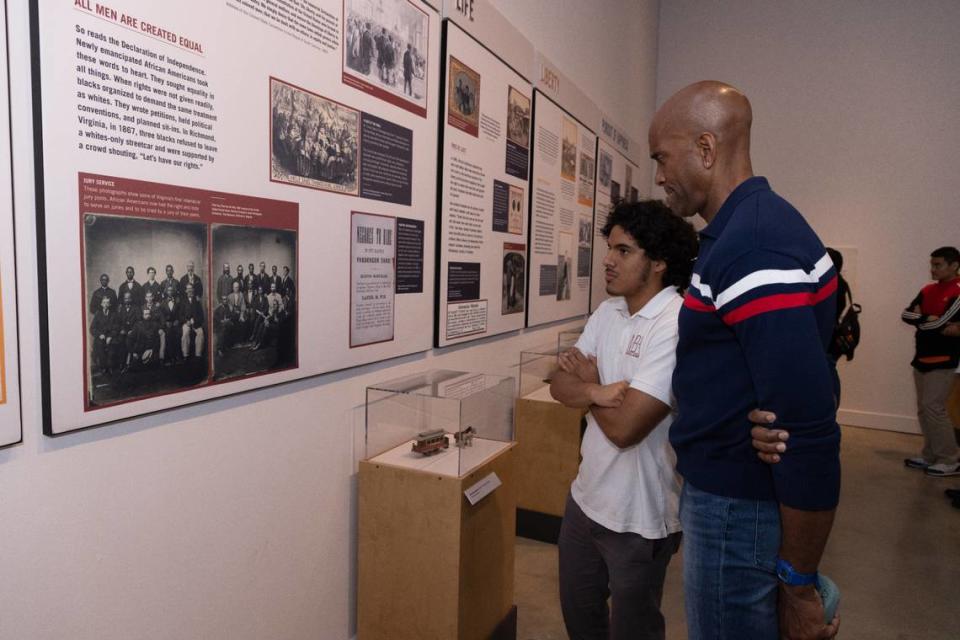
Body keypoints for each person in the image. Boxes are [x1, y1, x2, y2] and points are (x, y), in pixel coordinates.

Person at [648, 80, 840, 639]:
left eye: (663, 157)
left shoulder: (754, 246)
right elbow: (808, 373)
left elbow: (807, 427)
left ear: (705, 149)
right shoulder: (746, 231)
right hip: (733, 492)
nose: (659, 175)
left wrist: (798, 584)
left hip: (736, 509)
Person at [549, 199, 698, 640]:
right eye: (610, 248)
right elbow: (559, 384)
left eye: (624, 251)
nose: (609, 261)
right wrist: (596, 389)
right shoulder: (608, 311)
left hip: (640, 516)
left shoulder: (675, 322)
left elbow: (627, 428)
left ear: (658, 262)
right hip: (585, 499)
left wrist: (588, 390)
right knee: (581, 620)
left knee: (633, 631)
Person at [900, 246, 960, 476]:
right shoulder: (927, 290)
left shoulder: (957, 291)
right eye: (932, 265)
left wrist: (925, 321)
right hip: (921, 357)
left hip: (943, 359)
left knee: (934, 407)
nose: (933, 269)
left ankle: (949, 458)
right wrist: (927, 319)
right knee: (924, 410)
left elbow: (942, 322)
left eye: (938, 265)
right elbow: (906, 315)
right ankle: (930, 454)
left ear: (954, 265)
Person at [89, 295, 118, 375]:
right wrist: (99, 335)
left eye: (107, 303)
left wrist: (110, 336)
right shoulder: (98, 314)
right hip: (101, 338)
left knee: (113, 348)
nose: (105, 304)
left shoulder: (114, 314)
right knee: (100, 348)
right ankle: (103, 368)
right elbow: (92, 328)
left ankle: (111, 367)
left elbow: (116, 328)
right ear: (101, 304)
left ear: (110, 305)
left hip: (111, 337)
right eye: (104, 302)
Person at [179, 284, 205, 359]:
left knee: (200, 333)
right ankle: (185, 355)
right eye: (188, 289)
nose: (190, 291)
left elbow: (202, 316)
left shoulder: (197, 301)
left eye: (191, 289)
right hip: (186, 323)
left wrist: (195, 321)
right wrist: (186, 321)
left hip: (196, 323)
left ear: (193, 290)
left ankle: (198, 354)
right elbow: (180, 315)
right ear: (186, 291)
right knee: (185, 333)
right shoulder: (183, 301)